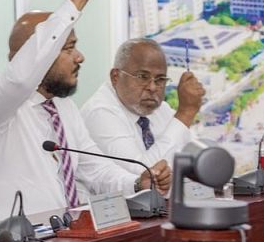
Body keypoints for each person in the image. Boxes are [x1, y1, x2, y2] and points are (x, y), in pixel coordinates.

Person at [0, 0, 172, 220]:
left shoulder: (63, 108)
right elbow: (20, 80)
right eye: (68, 48)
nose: (80, 57)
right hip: (5, 240)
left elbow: (95, 169)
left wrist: (136, 183)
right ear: (35, 53)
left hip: (61, 236)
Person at [81, 38, 205, 172]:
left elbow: (193, 151)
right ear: (115, 77)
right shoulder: (100, 112)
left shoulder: (158, 107)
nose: (152, 87)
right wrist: (186, 113)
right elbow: (143, 173)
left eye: (160, 79)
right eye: (142, 77)